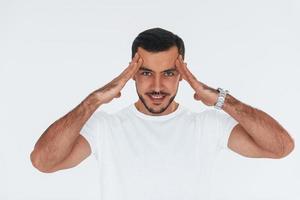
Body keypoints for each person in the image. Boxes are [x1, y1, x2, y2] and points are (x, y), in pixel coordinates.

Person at [30, 27, 295, 199]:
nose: (157, 87)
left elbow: (281, 146)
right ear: (131, 74)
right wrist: (94, 100)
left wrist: (222, 100)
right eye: (146, 73)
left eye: (168, 73)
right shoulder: (105, 128)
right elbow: (43, 161)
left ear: (182, 74)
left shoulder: (206, 126)